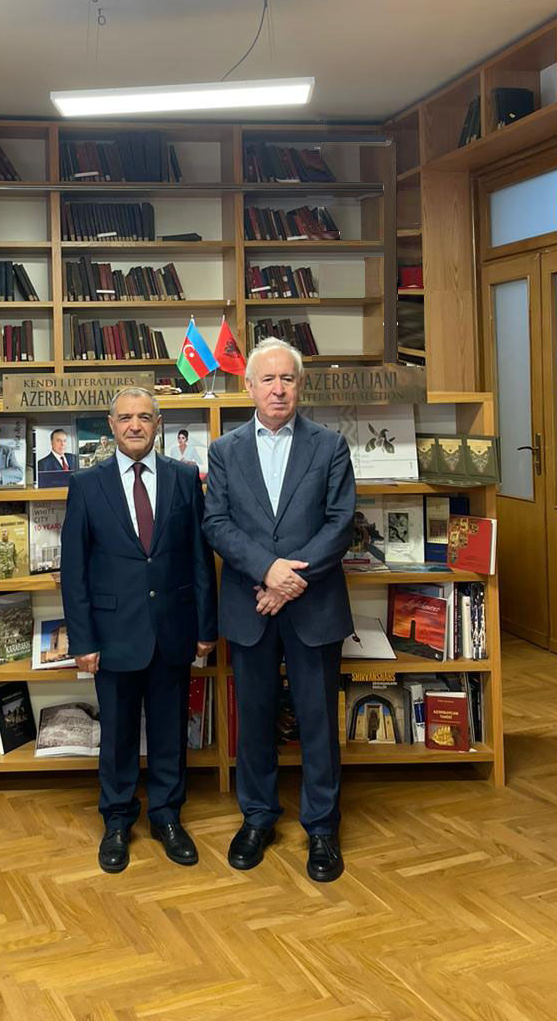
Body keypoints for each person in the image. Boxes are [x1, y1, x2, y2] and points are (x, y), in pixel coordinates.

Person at [202, 338, 355, 884]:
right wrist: (268, 571)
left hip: (313, 605)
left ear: (300, 385)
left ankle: (322, 827)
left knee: (318, 720)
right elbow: (216, 523)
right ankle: (258, 817)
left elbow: (340, 523)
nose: (278, 389)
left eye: (287, 378)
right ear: (248, 387)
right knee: (255, 717)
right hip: (251, 603)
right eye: (267, 379)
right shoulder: (224, 451)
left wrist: (289, 584)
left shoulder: (330, 445)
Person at [61, 387, 217, 873]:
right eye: (125, 418)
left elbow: (200, 559)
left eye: (144, 417)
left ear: (158, 424)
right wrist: (83, 640)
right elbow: (74, 570)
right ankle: (117, 820)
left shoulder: (184, 477)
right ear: (111, 425)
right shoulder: (86, 485)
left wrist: (205, 626)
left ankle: (167, 816)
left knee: (170, 732)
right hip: (112, 635)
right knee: (118, 734)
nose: (134, 426)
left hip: (173, 629)